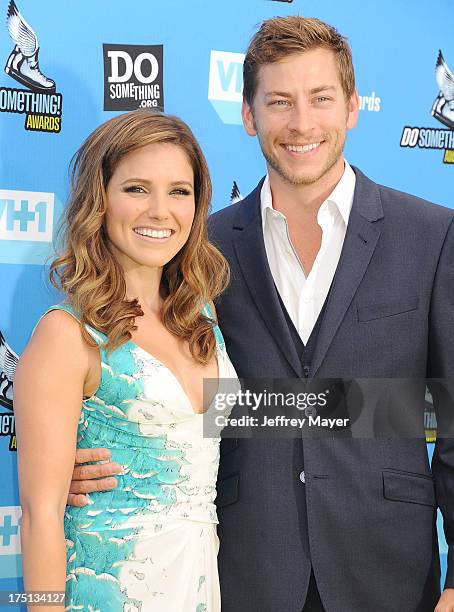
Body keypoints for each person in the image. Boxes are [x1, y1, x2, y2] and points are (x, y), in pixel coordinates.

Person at [66, 16, 454, 612]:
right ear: (248, 115)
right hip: (243, 571)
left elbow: (448, 413)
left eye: (320, 98)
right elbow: (185, 394)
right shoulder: (199, 246)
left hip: (390, 573)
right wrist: (88, 458)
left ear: (353, 106)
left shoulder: (431, 235)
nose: (301, 123)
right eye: (279, 102)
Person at [14, 110, 238, 611]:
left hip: (197, 585)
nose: (160, 210)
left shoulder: (202, 316)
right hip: (109, 589)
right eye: (137, 189)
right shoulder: (67, 334)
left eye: (179, 191)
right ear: (101, 199)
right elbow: (40, 515)